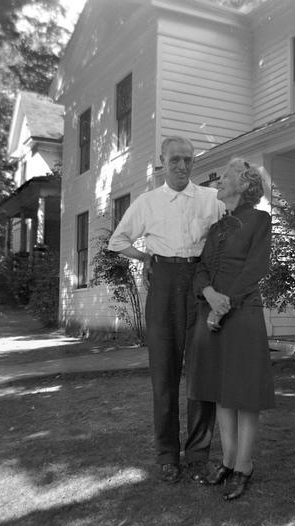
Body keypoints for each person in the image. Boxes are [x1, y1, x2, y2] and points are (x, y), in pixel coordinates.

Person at [108, 136, 224, 484]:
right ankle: (167, 455)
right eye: (175, 160)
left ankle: (199, 455)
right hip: (163, 283)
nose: (182, 166)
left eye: (188, 160)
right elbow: (118, 240)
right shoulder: (148, 202)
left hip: (200, 283)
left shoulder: (211, 199)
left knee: (201, 374)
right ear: (162, 163)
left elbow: (232, 233)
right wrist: (145, 257)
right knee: (164, 375)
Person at [188, 157, 275, 501]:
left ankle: (244, 466)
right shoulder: (218, 227)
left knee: (244, 394)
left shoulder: (260, 220)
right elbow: (201, 271)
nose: (219, 182)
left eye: (226, 177)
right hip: (213, 313)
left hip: (243, 315)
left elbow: (255, 269)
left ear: (243, 184)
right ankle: (226, 461)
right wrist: (210, 296)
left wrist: (224, 306)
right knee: (222, 391)